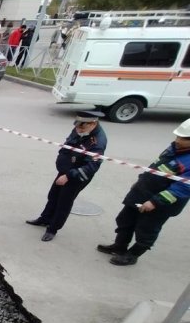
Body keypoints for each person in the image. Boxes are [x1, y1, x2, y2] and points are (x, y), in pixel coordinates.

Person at [96, 118, 190, 265]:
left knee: (146, 230)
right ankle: (119, 246)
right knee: (124, 220)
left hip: (160, 203)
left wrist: (155, 201)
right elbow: (156, 167)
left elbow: (183, 188)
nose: (178, 140)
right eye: (178, 136)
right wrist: (141, 181)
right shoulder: (174, 148)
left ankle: (132, 255)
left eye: (184, 138)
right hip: (142, 192)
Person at [25, 110, 107, 242]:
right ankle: (45, 219)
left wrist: (68, 176)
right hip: (65, 171)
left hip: (77, 176)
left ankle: (53, 229)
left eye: (82, 126)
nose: (78, 129)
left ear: (93, 124)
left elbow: (91, 167)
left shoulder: (97, 142)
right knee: (53, 196)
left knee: (64, 202)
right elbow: (68, 146)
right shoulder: (80, 128)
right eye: (77, 125)